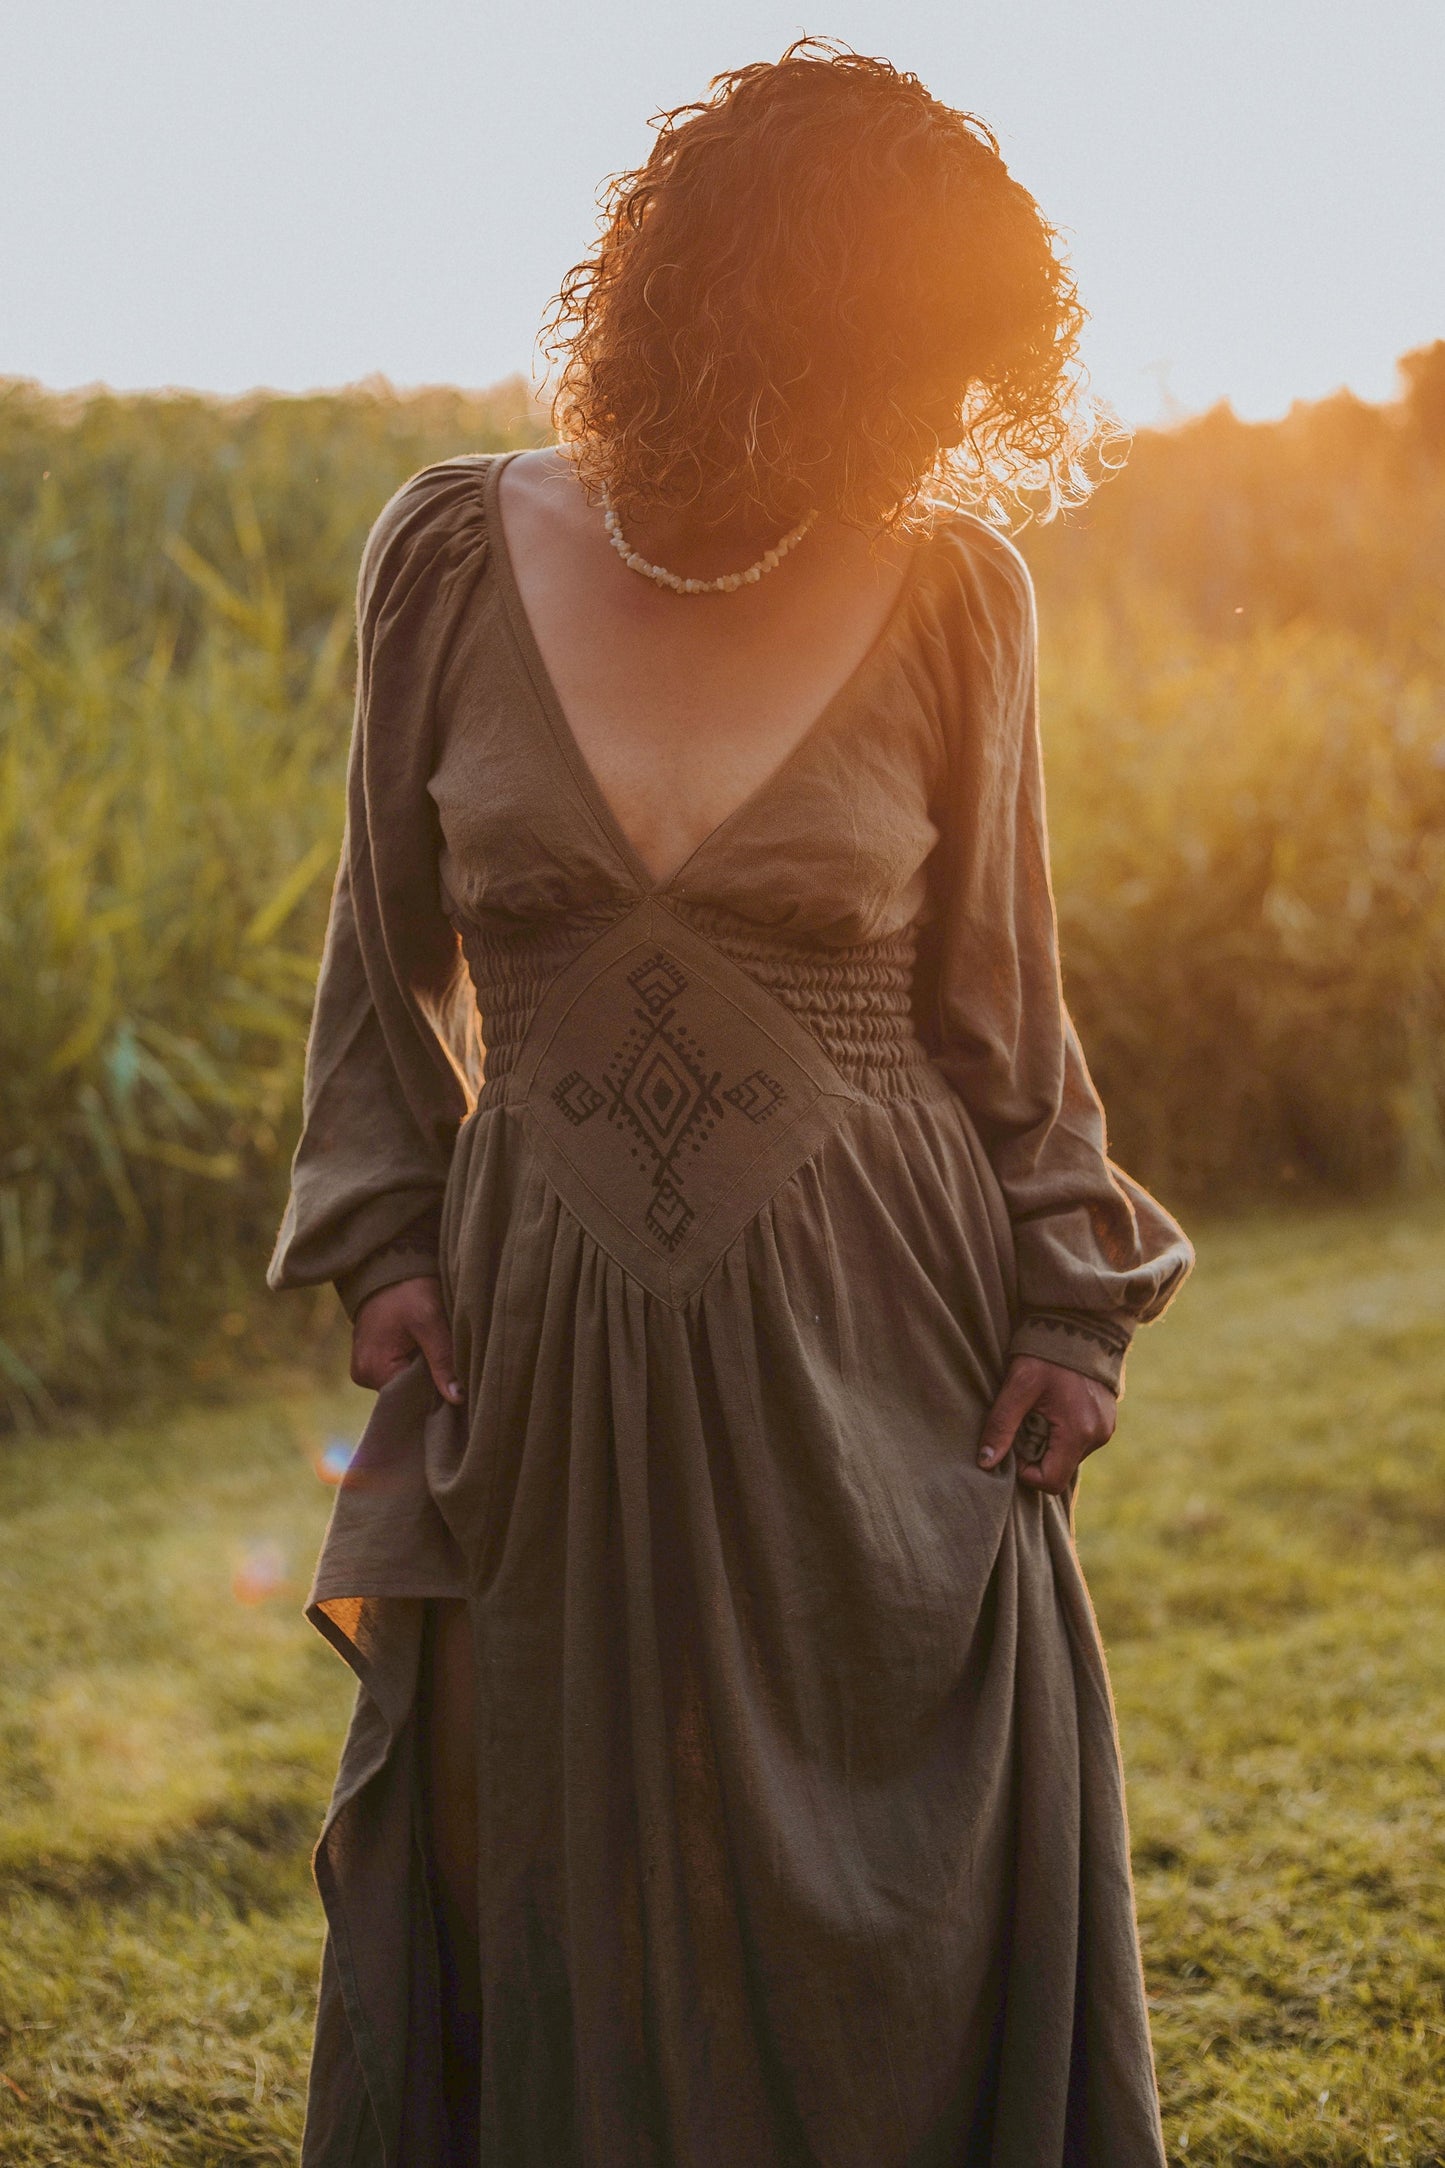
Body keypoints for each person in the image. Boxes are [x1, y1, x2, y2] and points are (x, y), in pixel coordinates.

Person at [269, 40, 1192, 2168]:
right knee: (554, 1858)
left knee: (893, 1906)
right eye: (908, 364)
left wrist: (1070, 1302)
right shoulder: (448, 556)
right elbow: (376, 949)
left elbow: (1007, 997)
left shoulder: (956, 591)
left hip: (885, 1350)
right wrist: (387, 1234)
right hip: (546, 1334)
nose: (943, 428)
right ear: (755, 322)